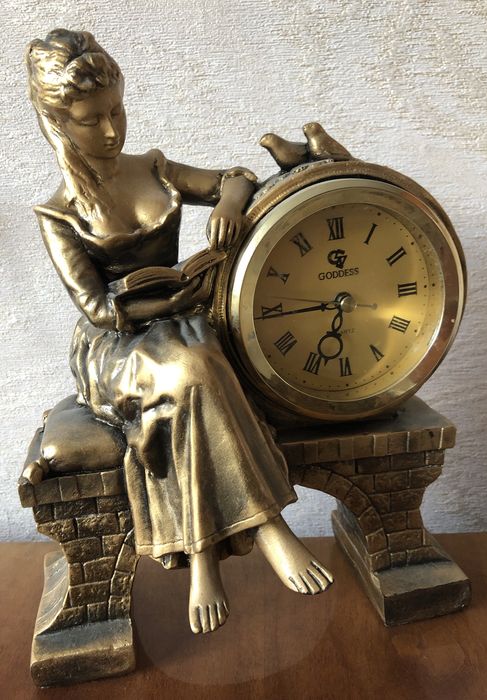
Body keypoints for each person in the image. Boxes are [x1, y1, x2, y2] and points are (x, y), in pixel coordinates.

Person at [25, 28, 333, 634]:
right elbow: (96, 307)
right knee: (193, 369)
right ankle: (269, 526)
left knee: (199, 365)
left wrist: (227, 206)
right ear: (58, 123)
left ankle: (203, 561)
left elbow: (235, 177)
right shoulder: (59, 212)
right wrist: (164, 301)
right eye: (91, 120)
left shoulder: (155, 168)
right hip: (118, 346)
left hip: (181, 323)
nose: (110, 130)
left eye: (117, 110)